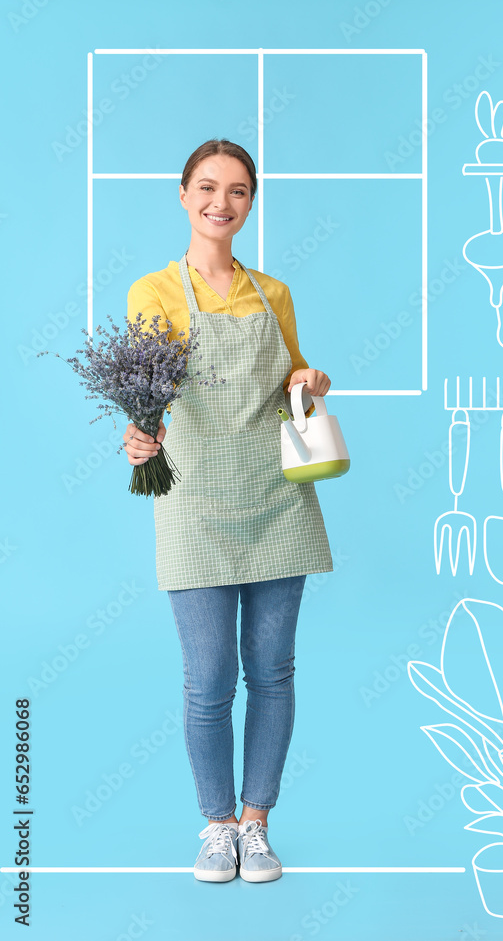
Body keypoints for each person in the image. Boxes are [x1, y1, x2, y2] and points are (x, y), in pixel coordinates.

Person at [123, 138, 334, 883]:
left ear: (250, 202)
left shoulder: (272, 293)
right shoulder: (153, 292)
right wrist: (138, 432)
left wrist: (311, 378)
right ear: (183, 195)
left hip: (277, 495)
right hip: (193, 499)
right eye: (208, 187)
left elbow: (293, 382)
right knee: (208, 675)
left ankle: (257, 823)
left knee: (271, 669)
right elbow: (146, 395)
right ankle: (215, 825)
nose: (222, 202)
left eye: (238, 190)